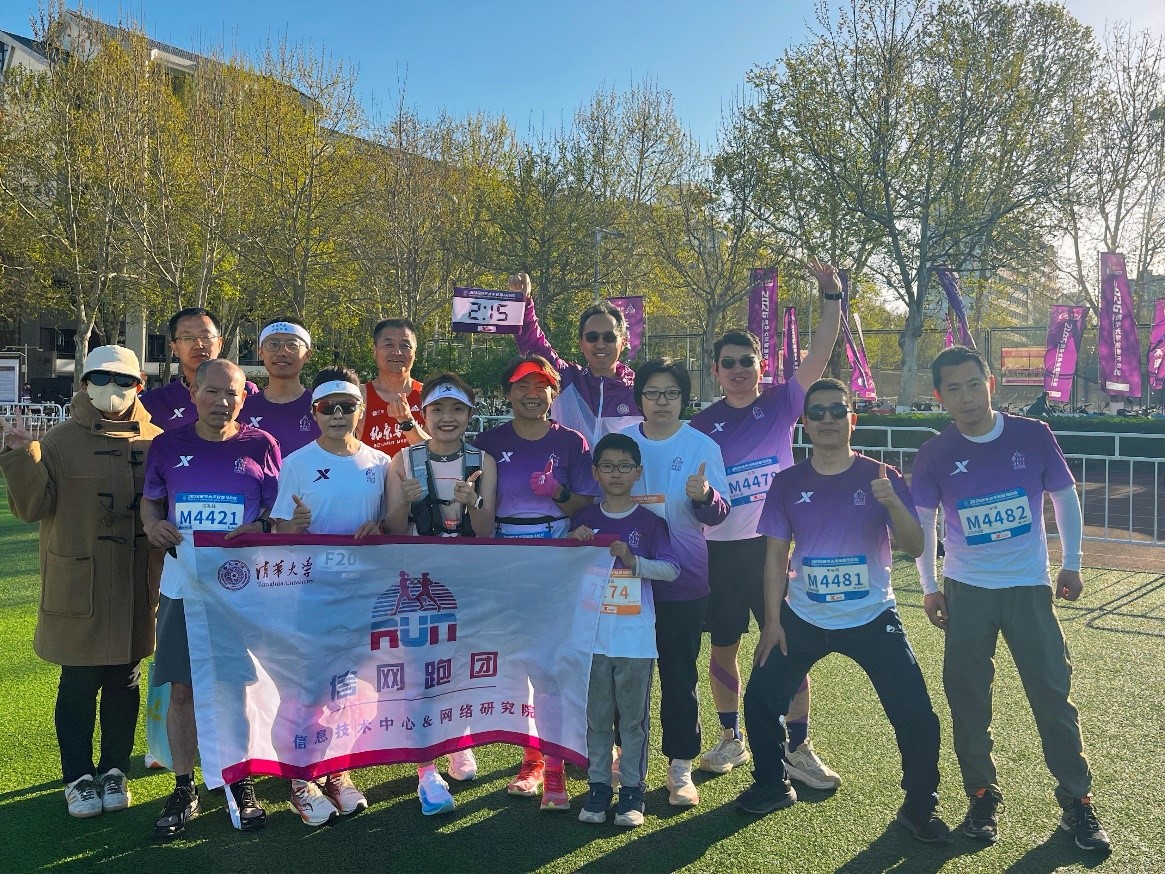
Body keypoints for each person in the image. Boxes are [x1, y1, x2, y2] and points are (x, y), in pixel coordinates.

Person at [912, 346, 1110, 852]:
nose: (966, 397)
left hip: (1028, 587)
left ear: (991, 384)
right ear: (939, 396)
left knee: (1052, 695)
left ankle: (1077, 801)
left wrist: (1072, 562)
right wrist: (930, 586)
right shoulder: (934, 452)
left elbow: (1064, 497)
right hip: (966, 590)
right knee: (968, 700)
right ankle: (981, 795)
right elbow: (924, 524)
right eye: (953, 388)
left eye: (973, 384)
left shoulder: (1032, 434)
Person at [736, 378, 949, 842]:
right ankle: (772, 784)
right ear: (805, 423)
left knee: (916, 713)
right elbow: (775, 556)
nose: (828, 419)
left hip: (872, 616)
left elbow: (916, 546)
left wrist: (892, 502)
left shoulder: (881, 475)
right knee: (760, 699)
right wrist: (772, 622)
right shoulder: (787, 482)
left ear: (852, 419)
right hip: (803, 617)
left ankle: (920, 805)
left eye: (837, 411)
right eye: (817, 412)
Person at [690, 257, 843, 787]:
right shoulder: (701, 424)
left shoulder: (782, 403)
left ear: (761, 365)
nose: (737, 369)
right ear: (715, 371)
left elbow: (820, 352)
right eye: (727, 363)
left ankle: (797, 745)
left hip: (774, 549)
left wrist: (831, 296)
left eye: (746, 361)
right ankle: (731, 736)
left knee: (788, 646)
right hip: (719, 552)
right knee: (724, 648)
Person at [0, 346, 161, 819]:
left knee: (125, 678)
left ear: (139, 385)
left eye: (124, 380)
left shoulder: (157, 441)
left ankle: (114, 770)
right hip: (79, 580)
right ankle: (77, 777)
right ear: (84, 383)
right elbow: (31, 508)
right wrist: (22, 455)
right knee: (78, 680)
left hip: (135, 577)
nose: (113, 388)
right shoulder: (58, 440)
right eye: (101, 377)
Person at [141, 359, 281, 839]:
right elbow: (151, 501)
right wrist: (151, 524)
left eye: (232, 394)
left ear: (244, 398)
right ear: (194, 393)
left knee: (237, 686)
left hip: (242, 590)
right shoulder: (167, 444)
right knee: (182, 688)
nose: (222, 402)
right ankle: (184, 786)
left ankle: (239, 779)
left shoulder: (261, 444)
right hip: (183, 586)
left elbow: (276, 512)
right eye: (213, 392)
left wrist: (260, 526)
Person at [269, 366, 398, 826]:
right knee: (306, 688)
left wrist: (380, 527)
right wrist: (294, 527)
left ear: (360, 411)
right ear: (315, 412)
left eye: (347, 406)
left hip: (363, 596)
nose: (338, 415)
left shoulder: (381, 463)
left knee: (350, 688)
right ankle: (300, 779)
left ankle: (337, 770)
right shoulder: (296, 463)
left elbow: (393, 525)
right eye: (329, 408)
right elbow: (278, 533)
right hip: (310, 595)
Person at [473, 354, 599, 810]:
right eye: (521, 385)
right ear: (508, 393)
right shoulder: (487, 442)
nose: (531, 394)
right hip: (505, 555)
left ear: (553, 393)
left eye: (541, 385)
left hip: (556, 553)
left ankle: (558, 762)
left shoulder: (570, 441)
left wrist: (556, 492)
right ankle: (533, 758)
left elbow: (584, 503)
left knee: (556, 660)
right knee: (522, 662)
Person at [386, 372, 497, 815]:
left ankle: (457, 739)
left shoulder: (483, 461)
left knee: (461, 664)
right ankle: (425, 767)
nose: (447, 418)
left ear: (469, 415)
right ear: (424, 414)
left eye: (456, 409)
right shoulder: (403, 459)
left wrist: (474, 502)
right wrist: (404, 501)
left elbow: (486, 531)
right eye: (437, 409)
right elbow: (394, 529)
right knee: (421, 668)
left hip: (468, 576)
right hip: (420, 579)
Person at [620, 358, 729, 807]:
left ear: (684, 398)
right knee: (623, 672)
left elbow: (720, 513)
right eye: (652, 392)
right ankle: (621, 756)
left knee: (679, 675)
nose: (661, 401)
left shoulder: (702, 445)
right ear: (640, 398)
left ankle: (680, 764)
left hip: (683, 580)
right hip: (626, 578)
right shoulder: (622, 441)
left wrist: (705, 496)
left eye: (670, 393)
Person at [569, 433, 680, 827]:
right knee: (597, 718)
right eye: (608, 467)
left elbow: (671, 569)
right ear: (596, 473)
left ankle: (632, 790)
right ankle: (599, 786)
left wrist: (634, 561)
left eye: (624, 467)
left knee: (633, 721)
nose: (616, 474)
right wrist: (573, 545)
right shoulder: (583, 520)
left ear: (637, 472)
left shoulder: (650, 523)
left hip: (634, 641)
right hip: (591, 640)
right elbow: (562, 573)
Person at [512, 272, 641, 446]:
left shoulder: (639, 391)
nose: (600, 344)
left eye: (609, 337)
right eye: (592, 337)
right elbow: (532, 343)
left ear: (623, 342)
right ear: (581, 343)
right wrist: (523, 302)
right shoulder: (565, 379)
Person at [140, 306, 257, 431]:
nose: (198, 345)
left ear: (219, 343)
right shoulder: (155, 401)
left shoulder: (246, 392)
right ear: (174, 348)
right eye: (187, 338)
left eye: (206, 336)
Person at [240, 317, 320, 455]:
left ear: (307, 355)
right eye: (273, 344)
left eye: (292, 345)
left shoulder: (322, 408)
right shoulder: (242, 408)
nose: (282, 352)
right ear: (260, 352)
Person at [358, 318, 429, 456]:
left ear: (415, 352)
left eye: (405, 346)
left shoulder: (428, 396)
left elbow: (437, 452)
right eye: (389, 345)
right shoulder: (360, 397)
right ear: (375, 350)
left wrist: (408, 422)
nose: (397, 352)